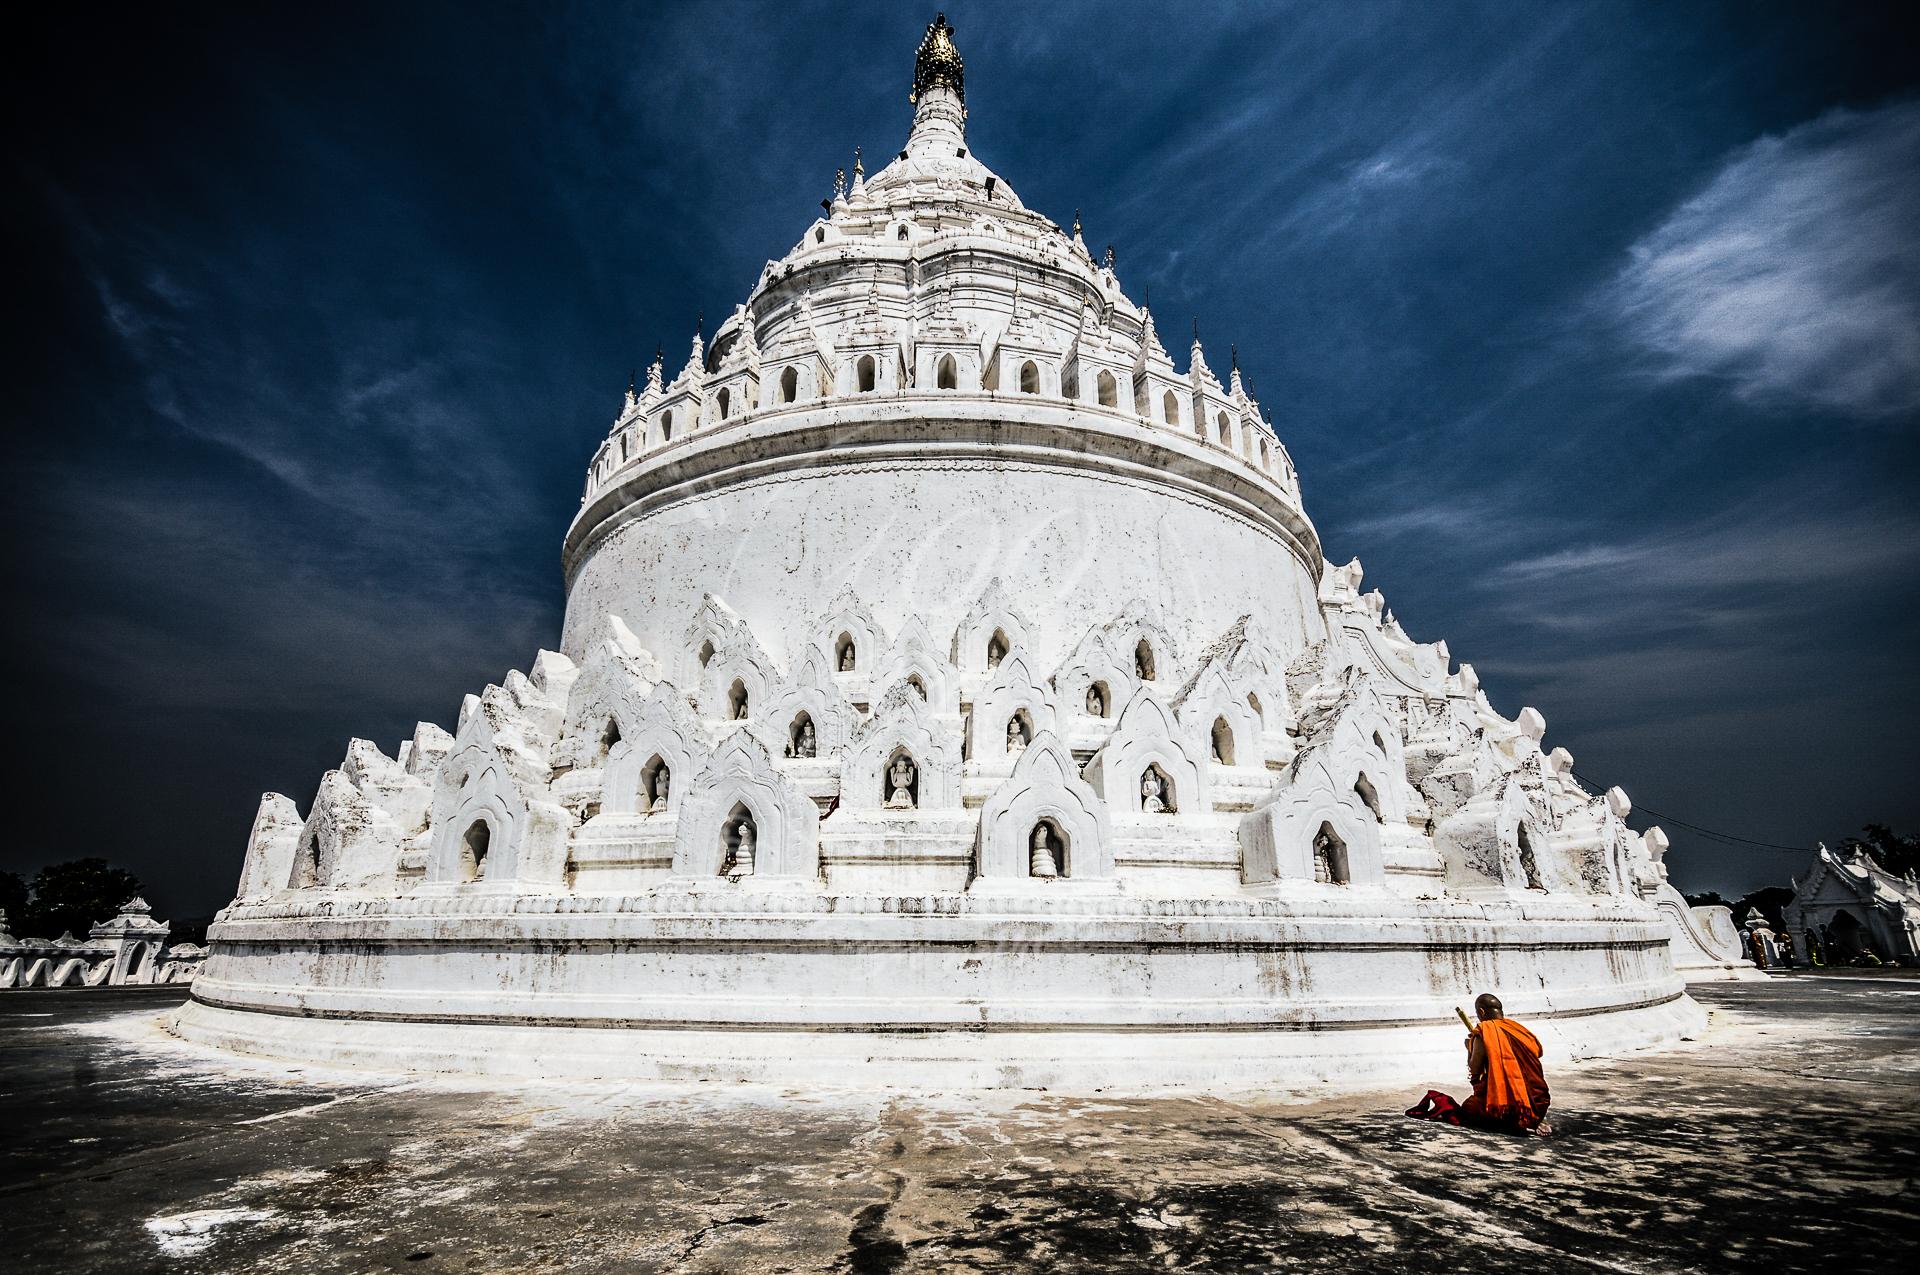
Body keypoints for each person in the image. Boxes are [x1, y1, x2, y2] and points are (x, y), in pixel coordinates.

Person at [1405, 993, 1552, 1135]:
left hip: (1504, 1106)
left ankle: (1514, 1118)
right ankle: (1533, 1117)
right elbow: (1537, 1051)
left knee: (1467, 1110)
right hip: (1538, 1101)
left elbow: (1475, 1069)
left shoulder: (1483, 1034)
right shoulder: (1519, 1030)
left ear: (1481, 1012)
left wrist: (1469, 1048)